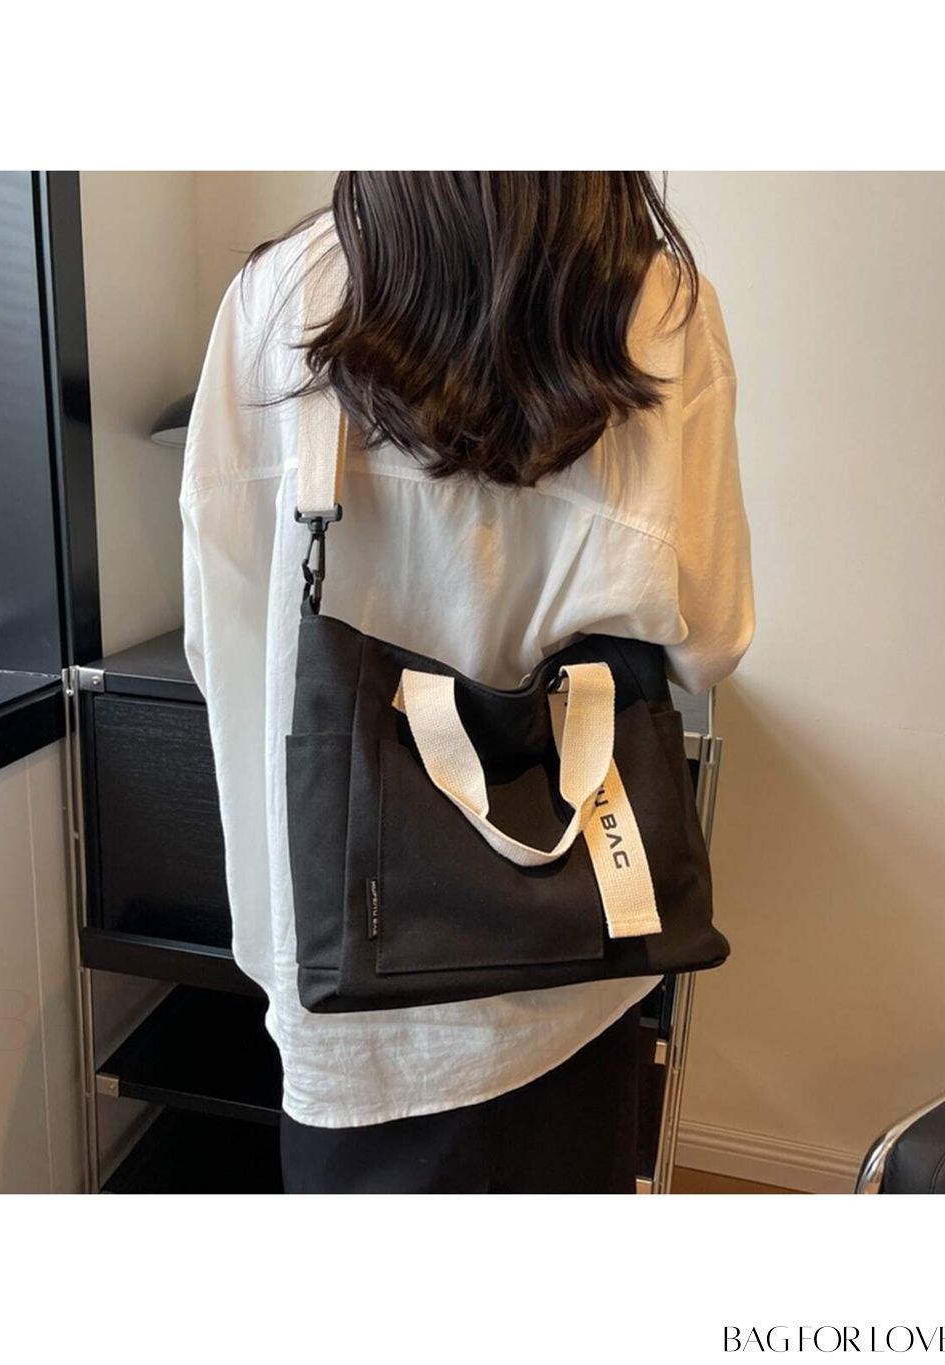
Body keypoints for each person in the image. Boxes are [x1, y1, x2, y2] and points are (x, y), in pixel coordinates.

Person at [179, 171, 755, 1193]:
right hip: (569, 962)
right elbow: (712, 638)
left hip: (341, 973)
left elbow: (213, 634)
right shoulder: (660, 305)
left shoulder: (276, 297)